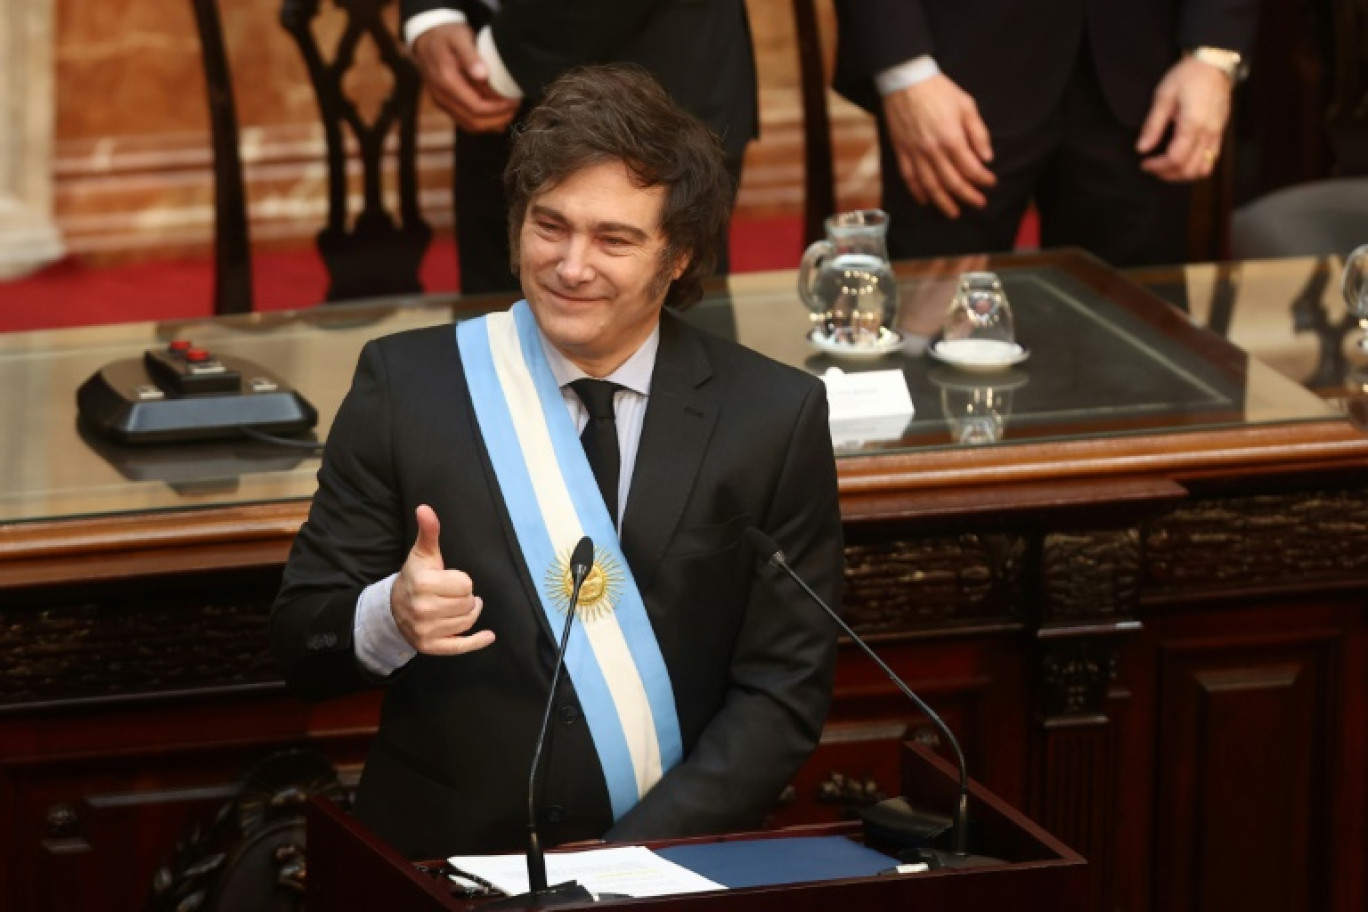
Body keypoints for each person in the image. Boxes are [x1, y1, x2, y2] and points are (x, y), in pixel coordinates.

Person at [270, 65, 844, 860]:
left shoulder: (772, 417)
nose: (572, 266)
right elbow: (302, 641)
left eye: (614, 239)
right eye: (551, 226)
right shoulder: (406, 387)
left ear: (677, 258)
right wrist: (388, 617)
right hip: (442, 864)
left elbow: (782, 693)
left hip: (672, 864)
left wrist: (629, 863)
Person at [832, 0, 1260, 267]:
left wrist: (1214, 50)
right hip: (951, 71)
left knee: (1135, 365)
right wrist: (903, 68)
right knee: (927, 336)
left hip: (1150, 69)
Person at [399, 0, 757, 293]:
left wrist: (496, 65)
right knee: (499, 352)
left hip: (655, 70)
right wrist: (433, 13)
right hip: (484, 82)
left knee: (661, 363)